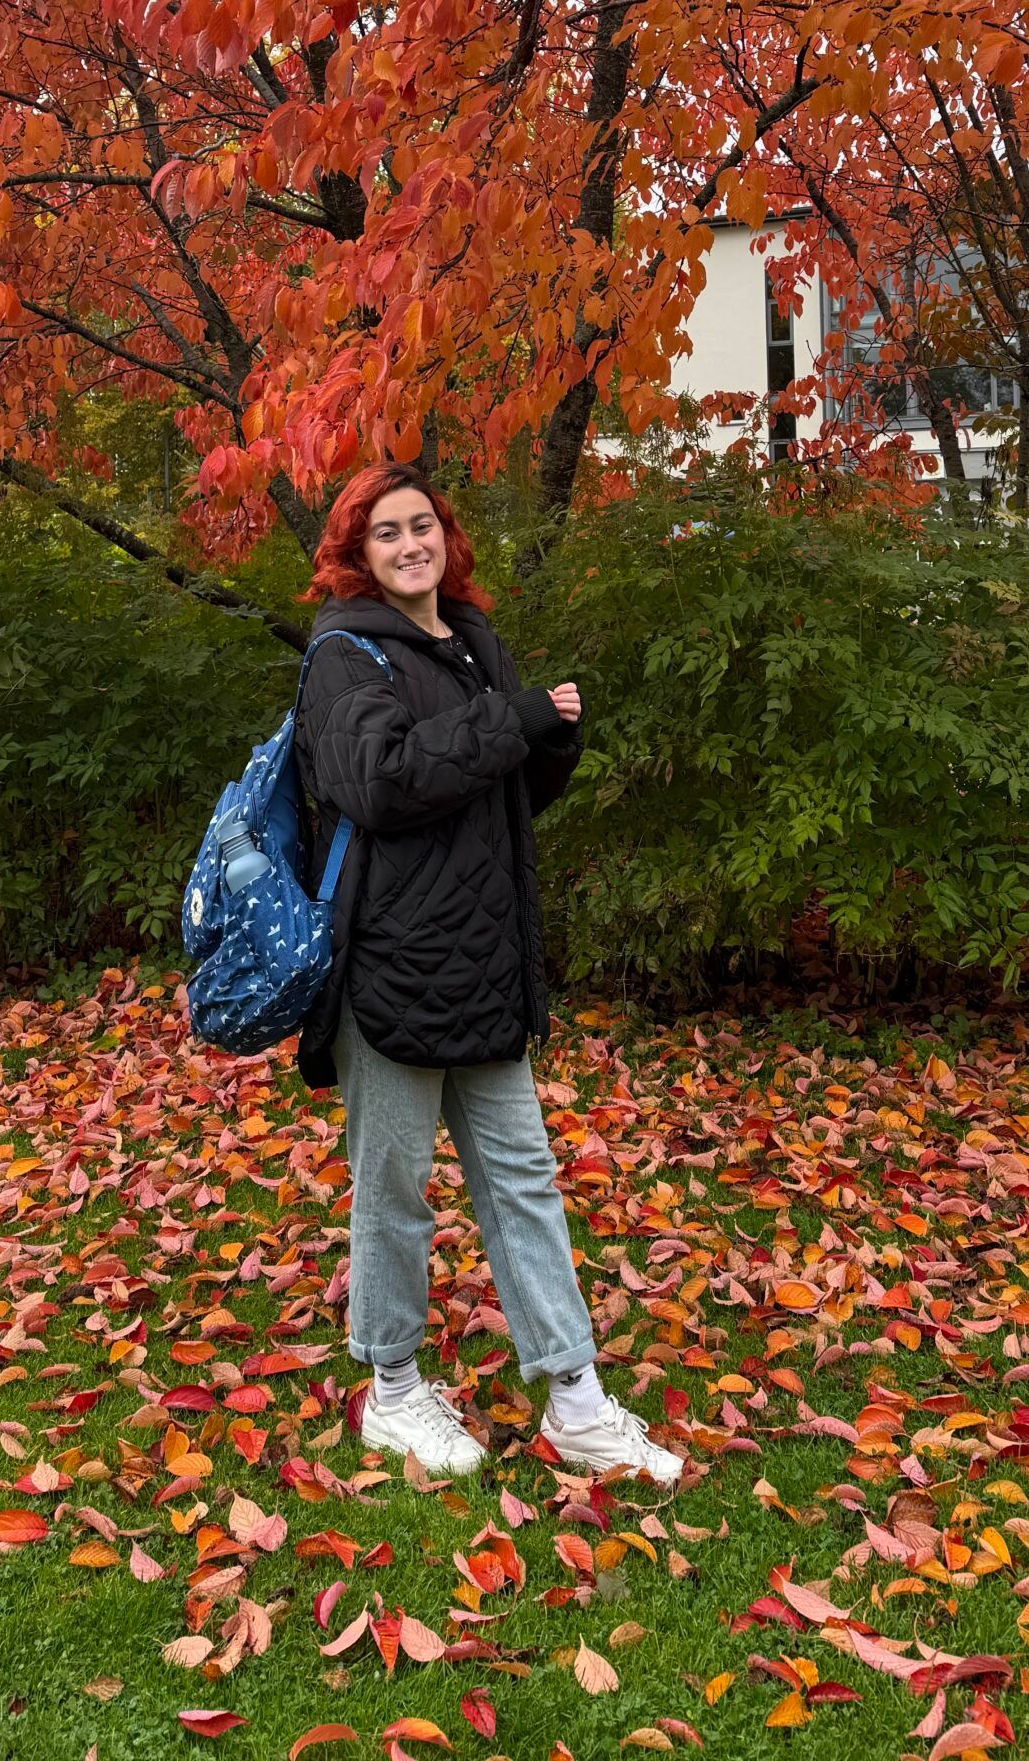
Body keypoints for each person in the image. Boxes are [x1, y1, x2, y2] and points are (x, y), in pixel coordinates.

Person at [294, 461, 684, 1486]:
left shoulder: (470, 641)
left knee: (525, 1181)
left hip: (480, 964)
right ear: (358, 554)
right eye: (388, 533)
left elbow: (489, 800)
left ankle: (577, 1401)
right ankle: (391, 1388)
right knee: (394, 1191)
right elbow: (379, 786)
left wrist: (549, 741)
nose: (412, 544)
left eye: (423, 525)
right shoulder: (344, 655)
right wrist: (510, 721)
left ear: (446, 536)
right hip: (386, 971)